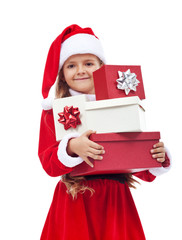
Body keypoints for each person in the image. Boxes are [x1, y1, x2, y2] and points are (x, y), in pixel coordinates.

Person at [38, 24, 171, 240]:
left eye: (88, 63)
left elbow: (129, 154)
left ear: (101, 67)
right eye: (71, 65)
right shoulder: (54, 110)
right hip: (74, 198)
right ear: (62, 74)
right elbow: (48, 163)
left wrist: (156, 158)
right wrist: (71, 148)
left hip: (115, 200)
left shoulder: (119, 105)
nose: (80, 70)